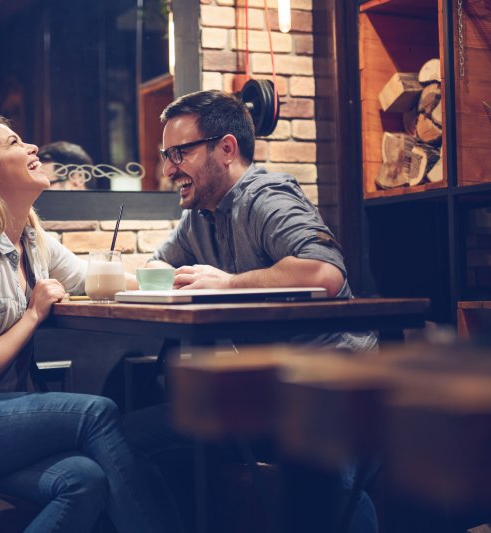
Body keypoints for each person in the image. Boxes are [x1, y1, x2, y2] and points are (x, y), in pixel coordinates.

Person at [0, 116, 182, 533]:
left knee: (83, 480)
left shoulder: (33, 240)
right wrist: (34, 314)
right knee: (96, 413)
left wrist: (172, 279)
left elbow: (90, 279)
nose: (33, 149)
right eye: (16, 143)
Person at [124, 90, 378, 532]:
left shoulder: (266, 197)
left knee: (320, 492)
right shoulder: (200, 216)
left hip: (333, 383)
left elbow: (325, 272)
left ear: (226, 148)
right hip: (264, 388)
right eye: (167, 155)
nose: (168, 169)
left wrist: (226, 284)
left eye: (179, 152)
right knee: (125, 436)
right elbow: (157, 265)